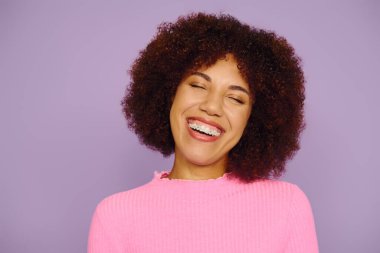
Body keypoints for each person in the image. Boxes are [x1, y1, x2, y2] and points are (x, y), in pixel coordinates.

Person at [87, 13, 319, 252]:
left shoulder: (287, 206)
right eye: (198, 85)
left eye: (235, 98)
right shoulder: (115, 217)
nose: (211, 107)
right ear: (170, 94)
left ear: (254, 118)